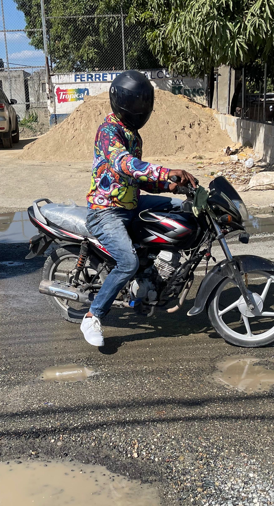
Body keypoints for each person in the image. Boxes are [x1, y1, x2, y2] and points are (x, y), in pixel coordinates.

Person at [80, 70, 198, 347]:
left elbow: (138, 179)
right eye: (135, 104)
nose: (140, 109)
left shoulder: (133, 134)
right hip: (106, 210)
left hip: (131, 203)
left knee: (174, 207)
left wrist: (172, 186)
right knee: (127, 262)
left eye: (144, 104)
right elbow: (124, 164)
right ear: (120, 101)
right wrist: (166, 171)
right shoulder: (109, 131)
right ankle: (93, 315)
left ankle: (156, 271)